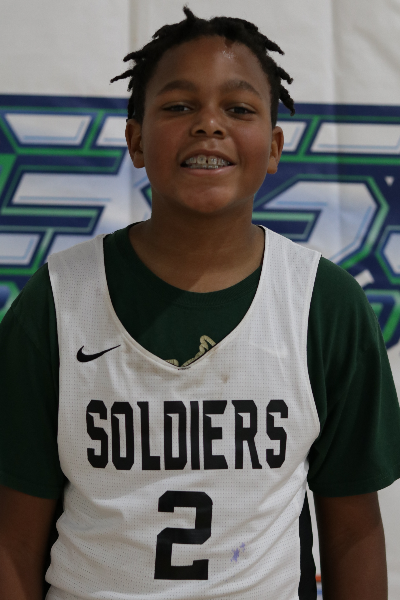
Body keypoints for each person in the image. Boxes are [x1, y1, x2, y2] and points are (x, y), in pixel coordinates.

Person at [0, 7, 399, 600]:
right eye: (178, 106)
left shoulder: (324, 303)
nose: (209, 124)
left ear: (274, 147)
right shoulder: (57, 299)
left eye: (239, 109)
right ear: (136, 139)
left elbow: (354, 534)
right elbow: (13, 540)